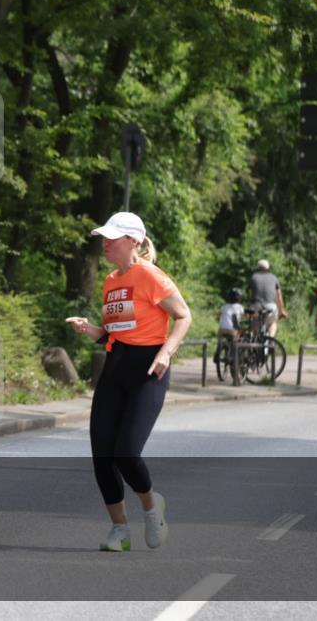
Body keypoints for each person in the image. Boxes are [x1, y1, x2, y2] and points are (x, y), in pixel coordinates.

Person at [66, 211, 192, 552]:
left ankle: (152, 507)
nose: (105, 243)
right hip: (114, 369)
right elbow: (113, 332)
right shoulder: (111, 280)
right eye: (104, 237)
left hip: (147, 373)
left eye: (112, 237)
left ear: (133, 241)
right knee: (102, 455)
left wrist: (166, 353)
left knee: (126, 452)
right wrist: (89, 329)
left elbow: (183, 315)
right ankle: (120, 530)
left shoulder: (150, 276)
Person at [248, 259, 288, 338]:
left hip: (257, 305)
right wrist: (281, 310)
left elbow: (250, 294)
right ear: (268, 268)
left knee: (254, 324)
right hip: (271, 306)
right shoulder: (274, 278)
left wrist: (251, 303)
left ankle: (252, 339)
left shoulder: (253, 277)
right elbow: (279, 296)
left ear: (258, 268)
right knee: (272, 323)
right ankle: (270, 339)